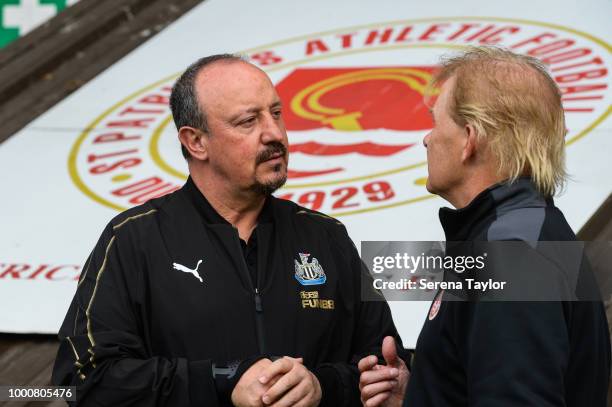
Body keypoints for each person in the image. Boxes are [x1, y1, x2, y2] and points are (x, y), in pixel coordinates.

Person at [52, 54, 408, 406]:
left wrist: (321, 386)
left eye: (276, 113)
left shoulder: (326, 236)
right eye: (247, 121)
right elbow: (81, 381)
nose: (274, 133)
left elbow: (385, 365)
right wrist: (223, 381)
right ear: (196, 142)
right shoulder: (133, 239)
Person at [358, 46, 610, 406]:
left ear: (470, 139)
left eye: (436, 121)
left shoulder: (510, 253)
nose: (426, 139)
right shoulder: (526, 233)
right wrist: (421, 394)